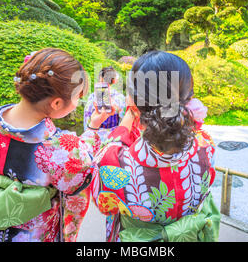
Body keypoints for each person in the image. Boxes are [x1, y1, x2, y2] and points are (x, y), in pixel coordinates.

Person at [0, 48, 114, 242]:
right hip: (31, 235)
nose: (78, 102)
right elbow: (80, 180)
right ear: (56, 103)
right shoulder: (61, 148)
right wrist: (93, 127)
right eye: (77, 97)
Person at [90, 51, 218, 242]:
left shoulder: (115, 161)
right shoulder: (206, 146)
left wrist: (126, 118)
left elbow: (104, 204)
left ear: (133, 100)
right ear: (188, 98)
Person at [83, 66, 126, 142]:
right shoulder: (120, 98)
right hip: (112, 138)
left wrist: (88, 131)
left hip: (94, 134)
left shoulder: (92, 97)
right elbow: (123, 119)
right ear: (114, 81)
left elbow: (87, 117)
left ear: (100, 78)